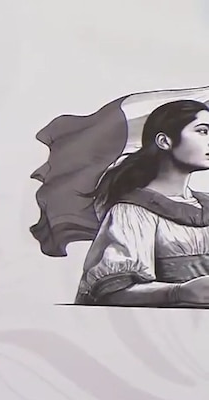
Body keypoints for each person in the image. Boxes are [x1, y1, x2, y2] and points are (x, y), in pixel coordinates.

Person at [76, 100, 209, 307]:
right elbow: (111, 291)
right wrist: (179, 293)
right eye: (203, 131)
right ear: (165, 141)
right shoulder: (132, 211)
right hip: (164, 332)